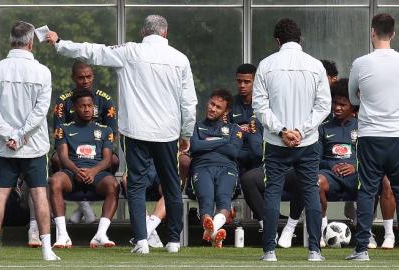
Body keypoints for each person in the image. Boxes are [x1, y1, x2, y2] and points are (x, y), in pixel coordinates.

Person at [47, 14, 197, 254]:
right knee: (171, 186)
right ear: (165, 33)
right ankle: (174, 242)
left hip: (136, 131)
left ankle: (141, 242)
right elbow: (189, 102)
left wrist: (59, 43)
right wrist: (186, 132)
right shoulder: (180, 59)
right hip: (168, 132)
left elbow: (92, 51)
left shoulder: (129, 51)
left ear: (142, 33)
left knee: (136, 186)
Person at [252, 18, 331, 261]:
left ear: (277, 40)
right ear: (300, 38)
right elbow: (323, 106)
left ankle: (269, 251)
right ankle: (315, 251)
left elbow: (259, 106)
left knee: (273, 192)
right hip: (306, 142)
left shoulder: (266, 65)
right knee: (310, 191)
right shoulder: (316, 65)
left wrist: (283, 131)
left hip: (277, 142)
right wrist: (301, 131)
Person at [0, 21, 59, 261]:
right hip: (32, 145)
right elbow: (40, 112)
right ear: (31, 43)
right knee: (39, 194)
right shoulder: (42, 71)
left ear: (11, 41)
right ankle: (46, 249)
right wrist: (20, 135)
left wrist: (9, 134)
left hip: (4, 145)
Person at [279, 79, 358, 248]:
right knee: (315, 182)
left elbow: (369, 156)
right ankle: (323, 231)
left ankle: (367, 232)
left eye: (343, 105)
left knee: (372, 181)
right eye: (335, 103)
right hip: (331, 176)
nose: (337, 108)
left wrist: (355, 166)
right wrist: (331, 166)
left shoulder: (362, 127)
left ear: (353, 107)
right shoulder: (323, 128)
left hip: (355, 174)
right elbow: (316, 158)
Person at [346, 13, 399, 261]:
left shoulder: (361, 63)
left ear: (372, 32)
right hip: (397, 135)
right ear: (393, 34)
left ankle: (362, 249)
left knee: (367, 190)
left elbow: (353, 98)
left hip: (370, 136)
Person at [49, 90, 119, 248]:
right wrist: (77, 171)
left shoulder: (105, 130)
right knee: (54, 181)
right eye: (82, 106)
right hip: (72, 172)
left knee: (113, 185)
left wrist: (93, 171)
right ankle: (62, 235)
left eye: (90, 106)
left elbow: (108, 159)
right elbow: (63, 157)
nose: (87, 109)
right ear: (74, 108)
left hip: (97, 173)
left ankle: (101, 234)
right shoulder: (63, 129)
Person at [189, 89, 243, 248]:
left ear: (226, 111)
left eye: (218, 107)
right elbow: (195, 146)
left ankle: (212, 232)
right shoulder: (195, 126)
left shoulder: (235, 129)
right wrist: (222, 141)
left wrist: (207, 142)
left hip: (227, 168)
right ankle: (214, 234)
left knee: (223, 197)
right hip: (202, 167)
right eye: (212, 104)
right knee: (205, 199)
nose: (213, 108)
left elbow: (233, 151)